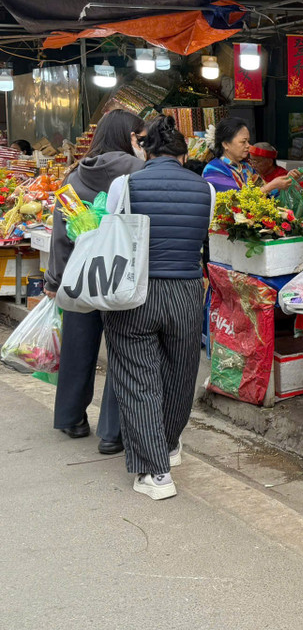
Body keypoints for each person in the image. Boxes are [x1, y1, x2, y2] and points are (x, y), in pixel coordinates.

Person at [103, 116, 215, 500]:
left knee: (139, 380)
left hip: (135, 292)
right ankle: (168, 446)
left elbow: (110, 230)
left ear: (144, 151)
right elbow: (201, 240)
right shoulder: (206, 189)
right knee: (181, 374)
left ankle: (155, 473)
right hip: (186, 292)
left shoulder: (126, 184)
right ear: (183, 156)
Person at [44, 109, 145, 453]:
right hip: (121, 275)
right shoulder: (138, 171)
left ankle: (71, 417)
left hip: (80, 275)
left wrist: (54, 281)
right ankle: (111, 433)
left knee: (77, 347)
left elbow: (61, 234)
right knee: (123, 351)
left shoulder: (74, 177)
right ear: (130, 137)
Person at [202, 120, 289, 194]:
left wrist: (286, 181)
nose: (248, 145)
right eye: (243, 142)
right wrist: (271, 186)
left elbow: (265, 190)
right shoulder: (214, 169)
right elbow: (235, 202)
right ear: (225, 144)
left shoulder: (246, 167)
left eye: (248, 141)